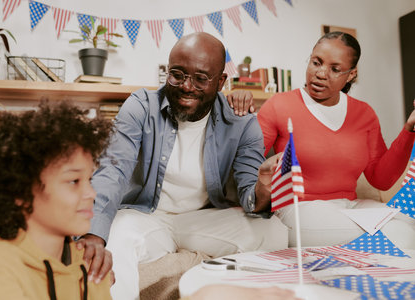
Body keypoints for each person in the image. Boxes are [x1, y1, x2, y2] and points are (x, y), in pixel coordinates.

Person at [78, 32, 288, 300]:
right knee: (115, 242)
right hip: (144, 216)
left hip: (201, 220)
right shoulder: (141, 106)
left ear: (221, 81)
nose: (187, 86)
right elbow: (113, 170)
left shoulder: (242, 123)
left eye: (201, 78)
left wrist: (264, 185)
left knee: (274, 233)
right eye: (177, 74)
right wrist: (93, 234)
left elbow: (251, 198)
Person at [256, 31, 415, 248]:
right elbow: (248, 162)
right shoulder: (279, 105)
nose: (321, 73)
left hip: (350, 206)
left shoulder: (364, 113)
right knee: (397, 233)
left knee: (408, 224)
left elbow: (381, 179)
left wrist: (409, 130)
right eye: (316, 62)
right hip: (298, 209)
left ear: (351, 75)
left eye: (335, 69)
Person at [0, 101, 114, 299]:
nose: (91, 194)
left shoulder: (91, 263)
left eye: (89, 179)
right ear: (19, 190)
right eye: (73, 181)